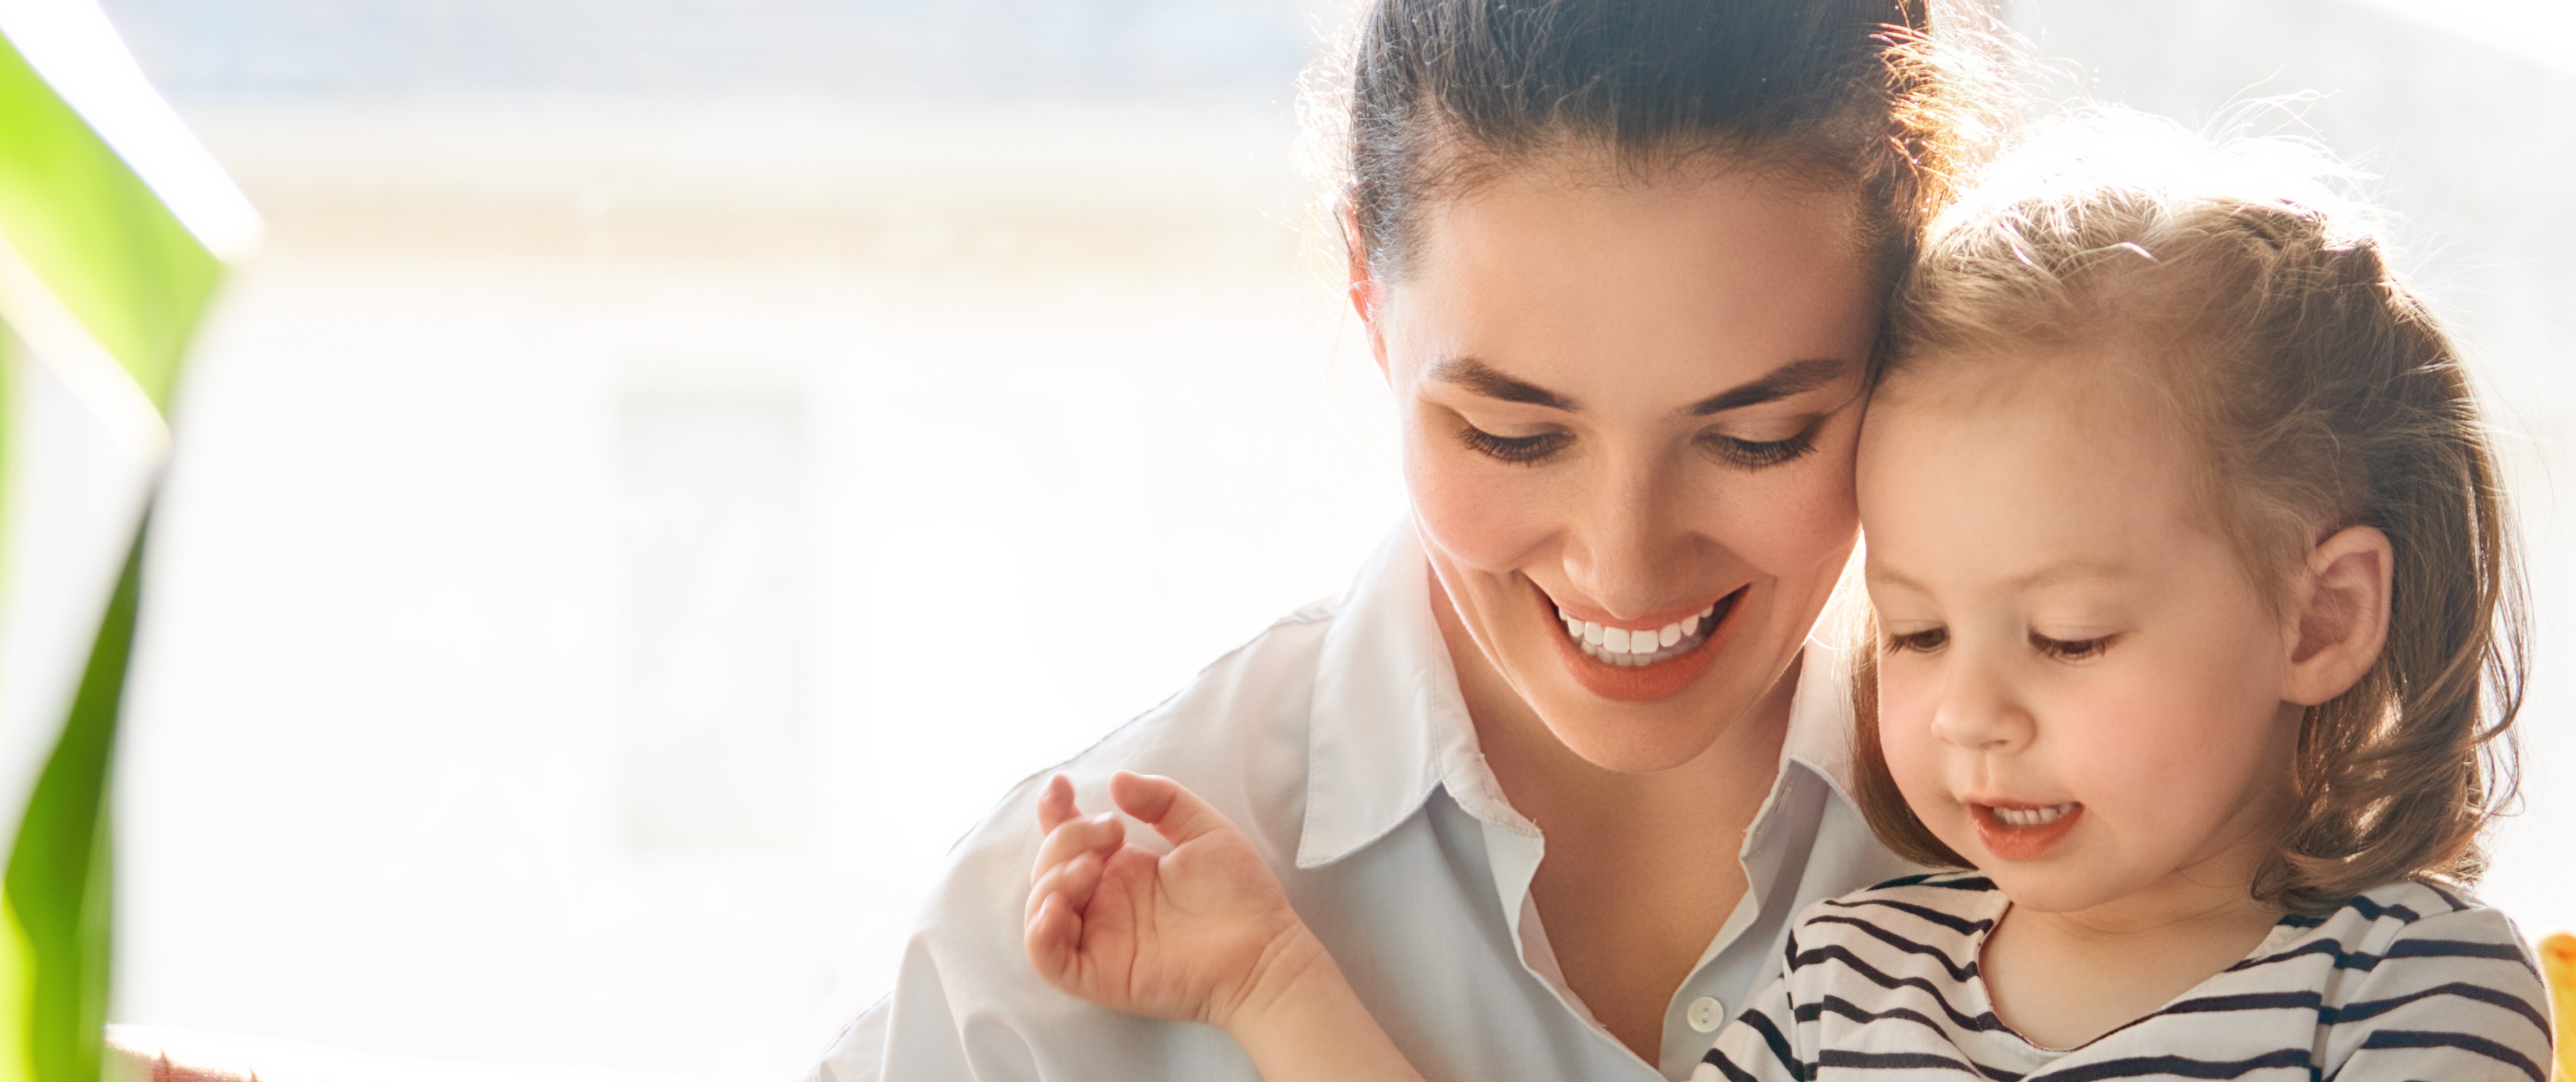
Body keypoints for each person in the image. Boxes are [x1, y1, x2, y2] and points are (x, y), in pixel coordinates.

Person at [1020, 105, 2553, 1082]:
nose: (1971, 717)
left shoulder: (2406, 989)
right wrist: (1274, 981)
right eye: (1918, 631)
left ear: (2322, 621)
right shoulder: (1845, 983)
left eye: (2070, 636)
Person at [809, 1, 2004, 1079]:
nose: (1624, 567)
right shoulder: (1028, 977)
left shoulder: (2126, 816)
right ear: (1369, 304)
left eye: (1758, 436)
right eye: (1512, 435)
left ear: (1913, 324)